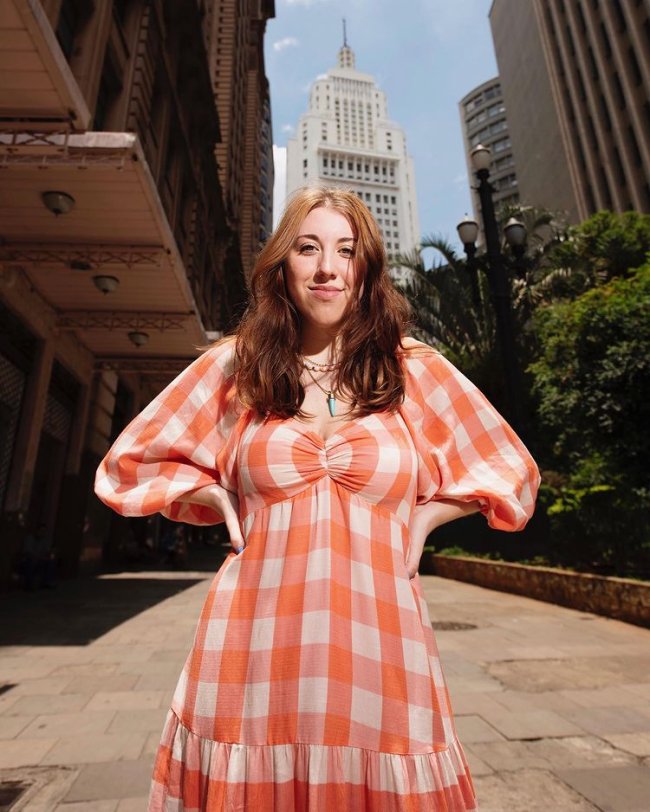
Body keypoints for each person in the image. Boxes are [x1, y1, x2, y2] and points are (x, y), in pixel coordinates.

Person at [95, 187, 540, 811]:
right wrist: (214, 496)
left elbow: (510, 468)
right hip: (253, 646)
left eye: (346, 250)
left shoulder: (411, 370)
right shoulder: (238, 367)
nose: (327, 267)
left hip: (382, 645)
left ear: (366, 269)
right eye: (308, 248)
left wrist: (429, 516)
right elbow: (129, 463)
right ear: (283, 265)